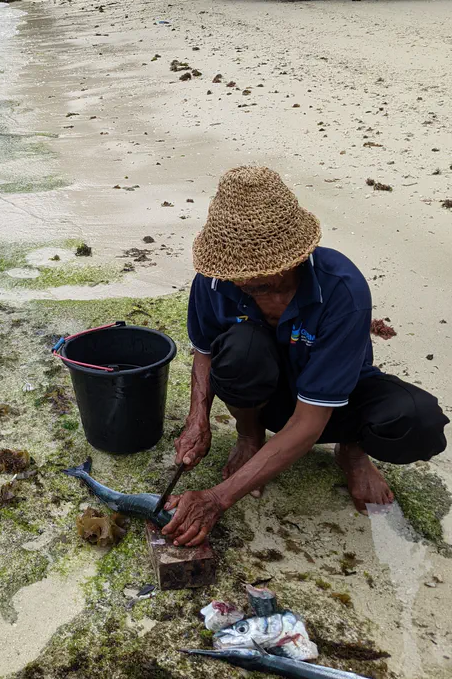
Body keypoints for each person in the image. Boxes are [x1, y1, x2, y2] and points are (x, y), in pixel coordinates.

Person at [162, 166, 448, 548]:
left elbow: (311, 420)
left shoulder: (342, 289)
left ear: (293, 258)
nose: (243, 283)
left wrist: (217, 498)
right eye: (235, 274)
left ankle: (353, 452)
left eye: (259, 275)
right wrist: (198, 419)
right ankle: (250, 437)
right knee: (240, 354)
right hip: (264, 396)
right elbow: (205, 353)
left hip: (333, 401)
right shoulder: (214, 280)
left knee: (417, 421)